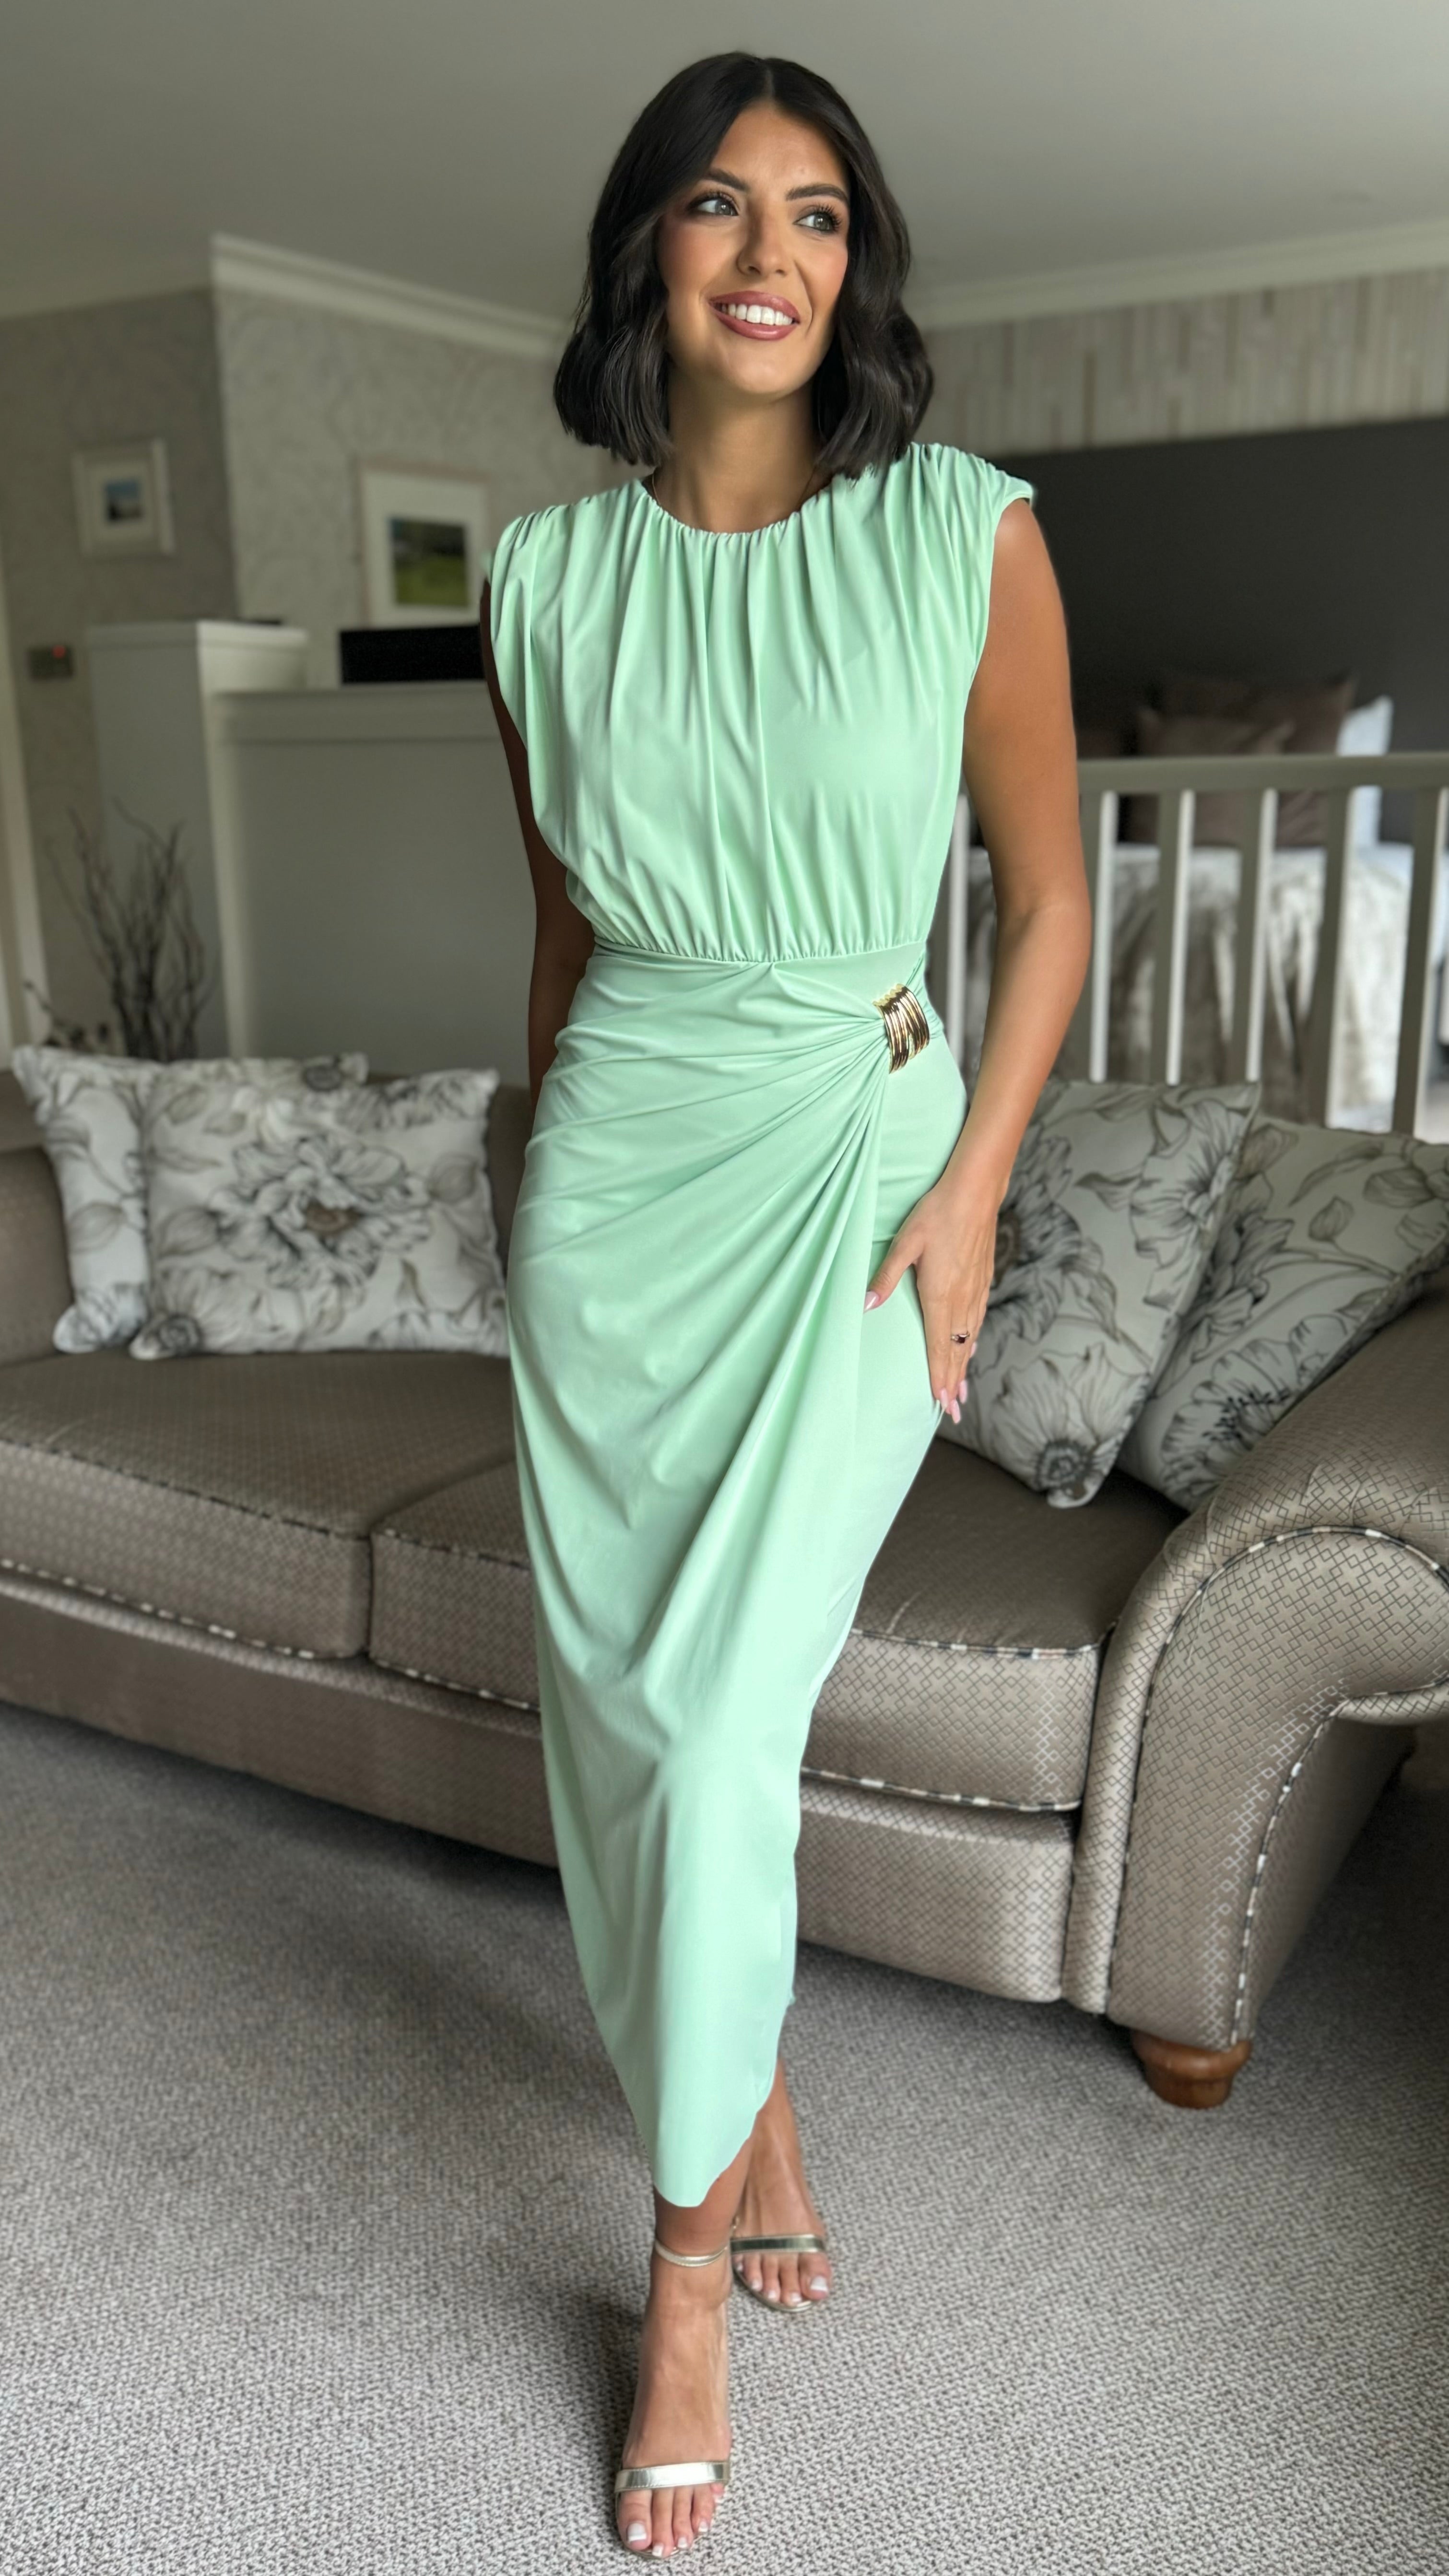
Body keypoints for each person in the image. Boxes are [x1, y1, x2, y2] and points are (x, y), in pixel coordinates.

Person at [480, 50, 1090, 2558]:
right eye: (721, 206)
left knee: (721, 1722)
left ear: (861, 266)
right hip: (615, 1193)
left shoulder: (963, 532)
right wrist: (530, 1184)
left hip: (855, 1172)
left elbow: (1050, 899)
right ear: (649, 249)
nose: (772, 254)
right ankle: (757, 2099)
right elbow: (559, 932)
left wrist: (974, 1194)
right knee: (635, 1731)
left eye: (820, 214)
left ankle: (681, 2280)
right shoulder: (541, 585)